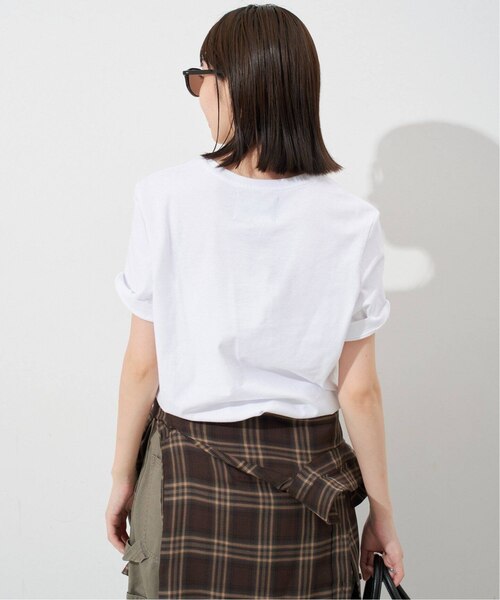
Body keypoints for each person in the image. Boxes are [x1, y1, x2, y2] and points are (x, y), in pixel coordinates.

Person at [105, 4, 405, 599]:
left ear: (233, 85)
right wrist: (383, 514)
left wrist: (121, 477)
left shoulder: (164, 198)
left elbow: (143, 364)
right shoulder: (352, 221)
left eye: (200, 78)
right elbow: (359, 391)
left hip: (186, 475)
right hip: (311, 483)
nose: (198, 95)